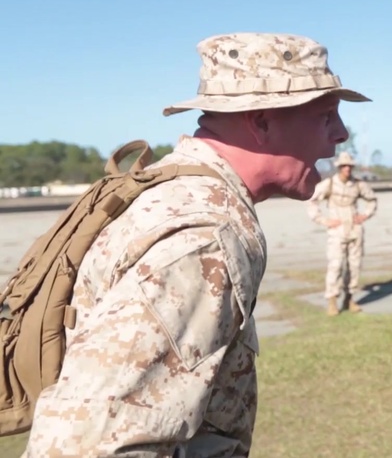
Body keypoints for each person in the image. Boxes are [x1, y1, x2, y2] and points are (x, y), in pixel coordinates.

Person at [22, 32, 369, 456]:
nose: (340, 134)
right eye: (326, 115)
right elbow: (91, 441)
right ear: (261, 121)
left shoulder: (174, 189)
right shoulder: (205, 236)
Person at [307, 151, 379, 315]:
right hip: (337, 231)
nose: (347, 169)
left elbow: (372, 199)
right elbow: (312, 201)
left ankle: (350, 298)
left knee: (354, 266)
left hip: (355, 229)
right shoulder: (330, 184)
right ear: (339, 167)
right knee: (336, 265)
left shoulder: (358, 184)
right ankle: (332, 300)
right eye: (344, 166)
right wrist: (324, 220)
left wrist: (365, 215)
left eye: (349, 166)